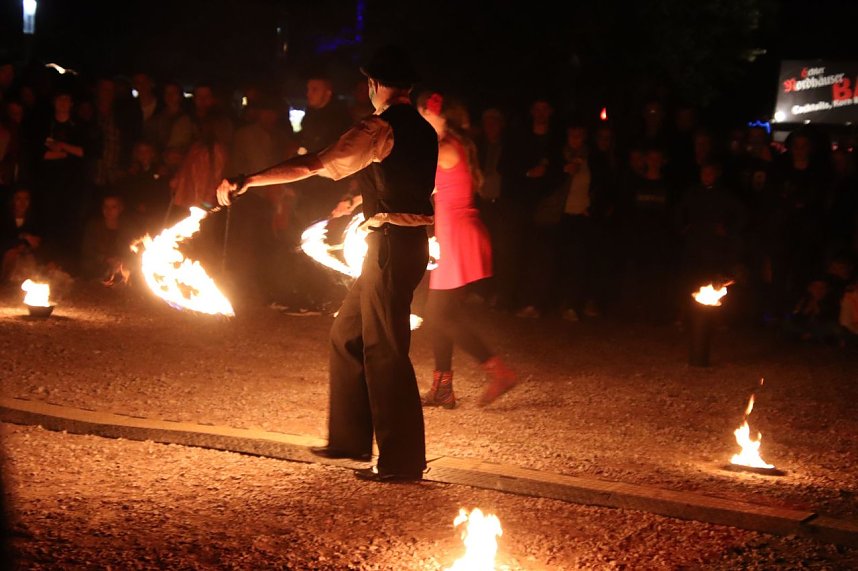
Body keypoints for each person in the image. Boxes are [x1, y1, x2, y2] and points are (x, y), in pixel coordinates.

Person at [217, 44, 437, 483]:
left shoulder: (379, 128)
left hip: (389, 246)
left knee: (386, 350)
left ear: (375, 85)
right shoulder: (424, 130)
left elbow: (315, 164)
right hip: (402, 242)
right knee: (347, 335)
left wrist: (249, 180)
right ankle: (350, 439)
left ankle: (402, 461)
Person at [415, 91, 518, 410]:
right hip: (456, 234)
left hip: (455, 237)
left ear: (439, 117)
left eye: (424, 114)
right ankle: (443, 388)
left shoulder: (444, 148)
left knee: (437, 314)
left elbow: (413, 184)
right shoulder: (451, 145)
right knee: (443, 314)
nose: (420, 119)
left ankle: (499, 371)